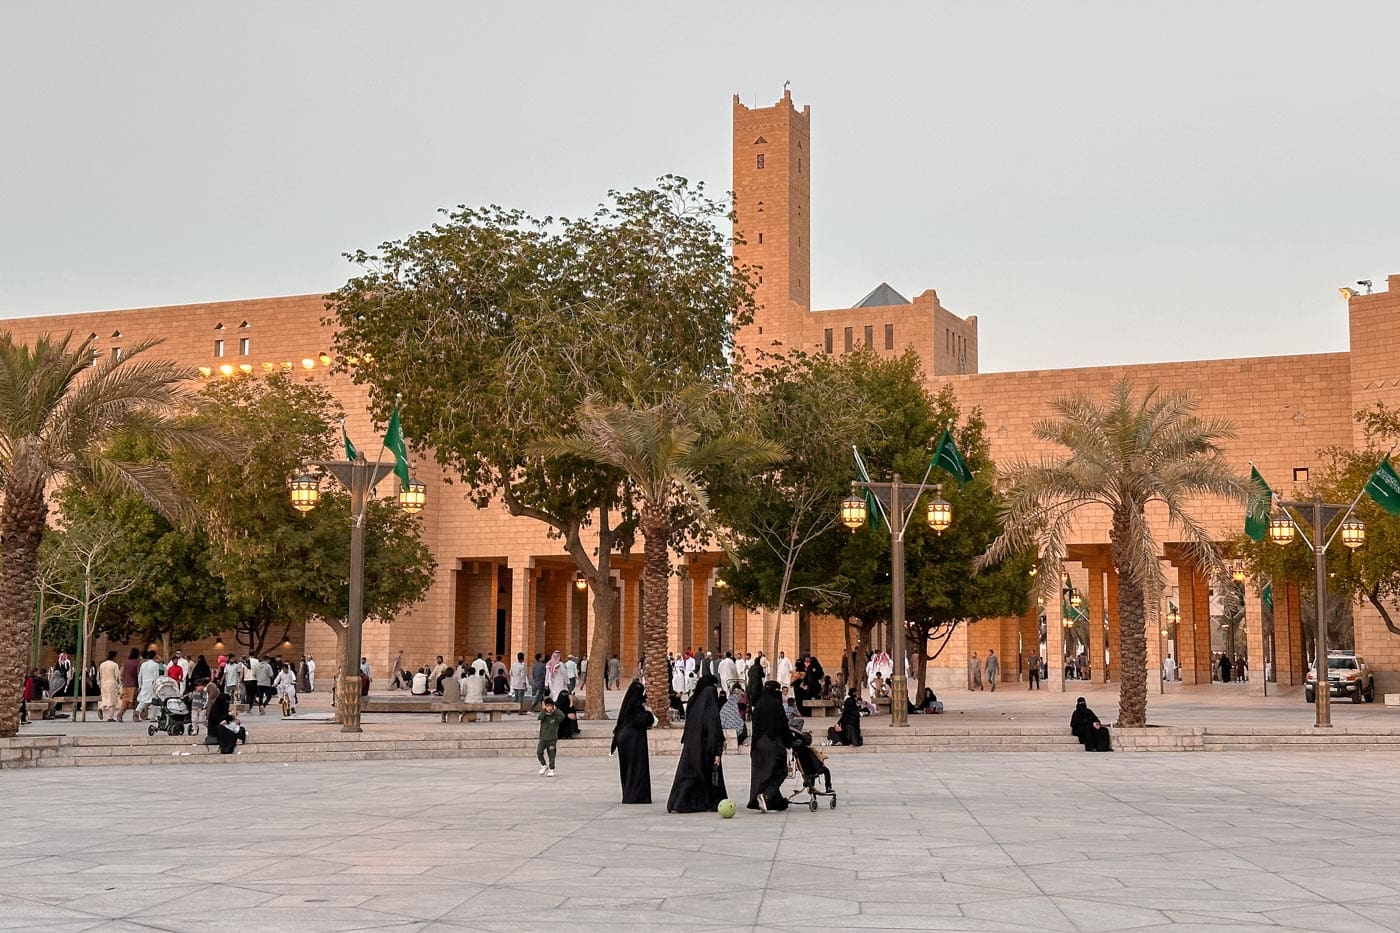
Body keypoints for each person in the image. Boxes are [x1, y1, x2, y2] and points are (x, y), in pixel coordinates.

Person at [667, 675, 727, 813]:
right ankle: (708, 802)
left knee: (689, 774)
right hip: (706, 748)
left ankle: (681, 802)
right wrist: (717, 752)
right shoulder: (710, 704)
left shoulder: (694, 701)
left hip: (691, 746)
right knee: (709, 776)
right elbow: (713, 729)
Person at [747, 682, 792, 813]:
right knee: (780, 771)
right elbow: (782, 724)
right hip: (772, 743)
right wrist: (789, 741)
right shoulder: (776, 704)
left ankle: (774, 802)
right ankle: (765, 795)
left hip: (758, 744)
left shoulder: (759, 704)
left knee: (762, 774)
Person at [611, 681, 653, 804]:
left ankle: (629, 793)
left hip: (624, 737)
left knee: (628, 768)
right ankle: (635, 795)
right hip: (632, 739)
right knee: (636, 767)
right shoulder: (636, 705)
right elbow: (641, 720)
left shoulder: (628, 704)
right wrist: (649, 713)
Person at [207, 684, 245, 754]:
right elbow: (217, 719)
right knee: (223, 730)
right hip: (215, 728)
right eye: (226, 702)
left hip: (225, 726)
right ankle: (227, 747)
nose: (227, 704)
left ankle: (237, 739)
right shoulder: (215, 708)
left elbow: (226, 718)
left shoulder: (224, 707)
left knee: (241, 729)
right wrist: (228, 715)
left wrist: (234, 719)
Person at [535, 697, 564, 776]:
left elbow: (562, 717)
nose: (549, 708)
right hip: (543, 738)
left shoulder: (555, 715)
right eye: (547, 706)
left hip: (552, 739)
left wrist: (556, 710)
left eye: (550, 706)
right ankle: (543, 765)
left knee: (551, 755)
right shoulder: (544, 715)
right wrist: (544, 710)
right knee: (539, 752)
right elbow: (539, 717)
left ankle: (551, 769)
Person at [134, 650, 161, 721]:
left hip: (144, 684)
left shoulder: (143, 664)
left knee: (144, 700)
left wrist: (140, 685)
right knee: (155, 701)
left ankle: (137, 711)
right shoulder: (155, 665)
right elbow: (156, 676)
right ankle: (153, 716)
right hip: (152, 684)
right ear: (154, 656)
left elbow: (140, 676)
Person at [95, 650, 121, 722]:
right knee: (112, 701)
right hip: (112, 684)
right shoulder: (115, 665)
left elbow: (98, 675)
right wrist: (119, 684)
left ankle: (101, 708)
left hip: (103, 684)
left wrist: (99, 683)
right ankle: (110, 717)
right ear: (114, 657)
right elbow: (118, 676)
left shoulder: (102, 664)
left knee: (105, 698)